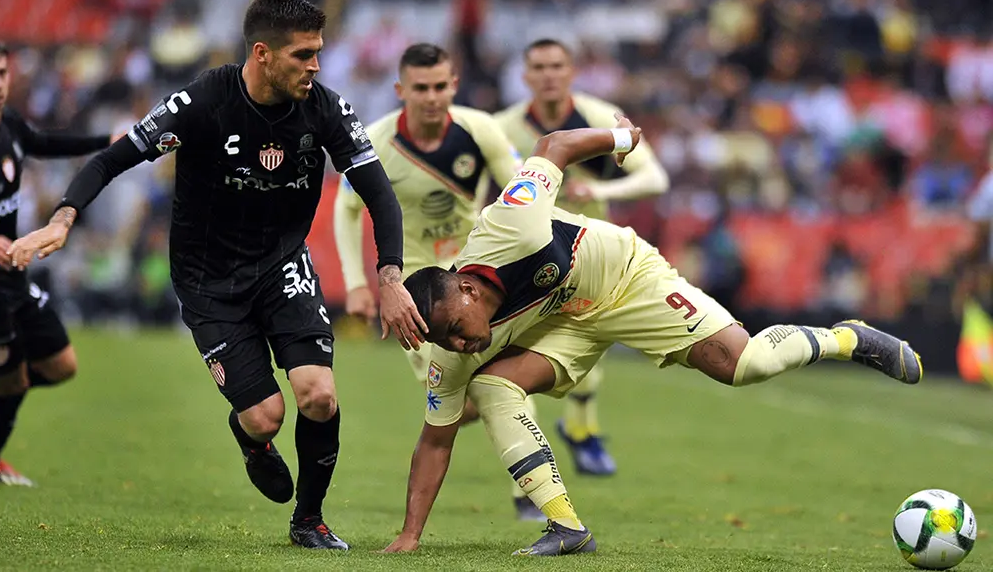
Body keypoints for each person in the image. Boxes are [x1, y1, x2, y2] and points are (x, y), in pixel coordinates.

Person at [383, 116, 922, 556]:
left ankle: (847, 339)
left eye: (455, 331)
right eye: (445, 342)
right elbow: (435, 441)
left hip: (627, 277)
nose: (459, 346)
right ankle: (567, 529)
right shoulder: (449, 350)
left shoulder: (511, 225)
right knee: (492, 386)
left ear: (470, 294)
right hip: (567, 319)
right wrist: (409, 537)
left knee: (746, 365)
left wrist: (623, 139)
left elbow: (555, 144)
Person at [7, 0, 426, 550]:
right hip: (208, 282)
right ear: (262, 54)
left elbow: (380, 195)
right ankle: (251, 439)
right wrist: (63, 219)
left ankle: (310, 519)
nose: (316, 66)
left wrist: (391, 276)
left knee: (319, 395)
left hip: (282, 265)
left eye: (318, 52)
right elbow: (112, 159)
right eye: (303, 55)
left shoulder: (324, 106)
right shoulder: (202, 101)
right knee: (265, 417)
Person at [333, 43, 543, 520]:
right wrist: (357, 284)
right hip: (415, 291)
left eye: (440, 86)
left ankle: (531, 491)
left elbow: (521, 192)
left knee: (501, 378)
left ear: (453, 84)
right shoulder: (376, 141)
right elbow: (345, 211)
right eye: (420, 88)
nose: (431, 97)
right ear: (400, 90)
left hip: (475, 277)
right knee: (460, 397)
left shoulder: (479, 129)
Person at [495, 38, 669, 476]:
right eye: (539, 66)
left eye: (557, 65)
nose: (549, 74)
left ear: (571, 71)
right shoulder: (502, 127)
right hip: (527, 256)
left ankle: (578, 429)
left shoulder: (598, 117)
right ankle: (547, 456)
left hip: (590, 254)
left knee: (586, 352)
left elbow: (655, 178)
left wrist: (602, 189)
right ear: (525, 76)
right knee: (523, 351)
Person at [0, 40, 117, 486]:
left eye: (2, 73)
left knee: (60, 364)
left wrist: (109, 141)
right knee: (9, 381)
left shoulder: (8, 125)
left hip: (13, 274)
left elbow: (45, 142)